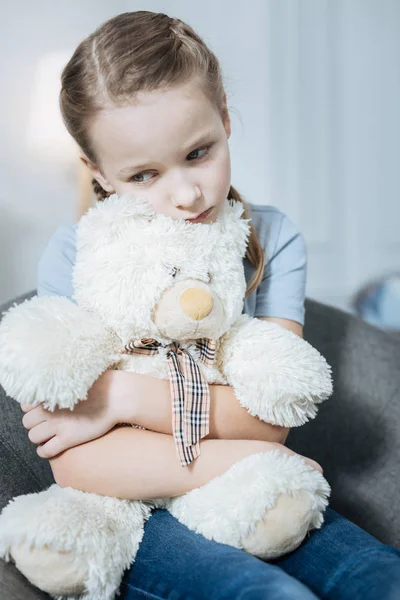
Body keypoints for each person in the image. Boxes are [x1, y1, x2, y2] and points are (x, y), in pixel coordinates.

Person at [20, 11, 400, 600]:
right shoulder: (75, 256)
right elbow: (75, 464)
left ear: (224, 115)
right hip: (139, 518)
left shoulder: (270, 237)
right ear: (97, 173)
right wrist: (241, 453)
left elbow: (272, 416)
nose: (186, 193)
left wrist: (121, 398)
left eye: (199, 152)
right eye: (143, 174)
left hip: (262, 496)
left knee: (379, 578)